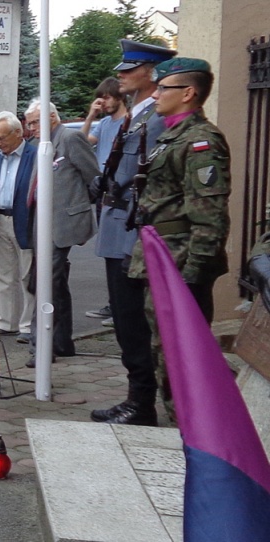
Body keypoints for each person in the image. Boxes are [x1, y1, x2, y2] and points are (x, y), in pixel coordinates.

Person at [127, 57, 231, 423]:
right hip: (163, 254)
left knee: (183, 351)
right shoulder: (173, 134)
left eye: (164, 88)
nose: (155, 94)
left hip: (182, 260)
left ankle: (192, 426)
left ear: (188, 93)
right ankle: (182, 424)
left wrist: (195, 272)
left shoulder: (200, 141)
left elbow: (209, 213)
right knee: (166, 348)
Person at [89, 39, 176, 427]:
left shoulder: (155, 118)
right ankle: (136, 399)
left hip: (132, 232)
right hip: (117, 228)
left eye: (129, 69)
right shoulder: (136, 116)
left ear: (150, 73)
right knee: (126, 324)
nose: (121, 75)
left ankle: (143, 403)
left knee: (136, 326)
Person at [23, 100, 101, 367]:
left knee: (46, 281)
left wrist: (76, 208)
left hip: (61, 224)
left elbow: (94, 178)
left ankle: (39, 347)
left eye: (35, 122)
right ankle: (62, 341)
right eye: (29, 124)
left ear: (52, 118)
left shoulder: (70, 138)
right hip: (41, 223)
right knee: (55, 281)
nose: (31, 128)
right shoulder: (41, 145)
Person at [82, 77, 128, 324]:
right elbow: (80, 140)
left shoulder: (128, 122)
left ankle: (119, 305)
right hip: (103, 192)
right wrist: (91, 115)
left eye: (107, 97)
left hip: (121, 191)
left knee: (120, 250)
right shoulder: (105, 123)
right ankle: (113, 304)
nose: (104, 101)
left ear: (119, 96)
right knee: (108, 250)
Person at [0, 111, 36, 339]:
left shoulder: (34, 155)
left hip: (25, 220)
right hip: (0, 219)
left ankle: (28, 325)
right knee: (4, 275)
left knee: (28, 275)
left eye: (2, 137)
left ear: (18, 132)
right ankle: (5, 322)